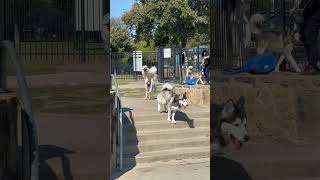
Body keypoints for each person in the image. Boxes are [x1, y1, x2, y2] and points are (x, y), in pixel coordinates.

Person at [292, 0, 320, 73]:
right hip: (309, 12)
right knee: (305, 36)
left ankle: (313, 64)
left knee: (310, 36)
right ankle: (311, 63)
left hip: (314, 11)